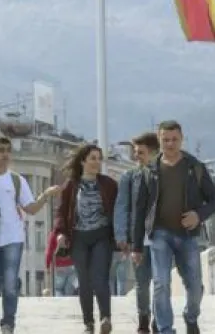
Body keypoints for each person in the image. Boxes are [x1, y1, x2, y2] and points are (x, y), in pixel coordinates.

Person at [132, 121, 215, 334]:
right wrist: (136, 246)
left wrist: (198, 215)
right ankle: (165, 329)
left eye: (174, 139)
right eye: (165, 140)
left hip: (187, 235)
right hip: (159, 234)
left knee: (194, 285)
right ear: (159, 140)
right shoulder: (149, 170)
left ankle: (191, 317)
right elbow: (139, 210)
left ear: (182, 139)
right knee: (161, 283)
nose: (170, 144)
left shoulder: (195, 168)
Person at [0, 136, 62, 334]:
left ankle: (8, 324)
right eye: (1, 150)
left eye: (8, 150)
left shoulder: (16, 180)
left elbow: (30, 208)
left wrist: (45, 195)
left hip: (13, 238)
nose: (5, 154)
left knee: (11, 284)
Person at [53, 144, 119, 334]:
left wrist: (122, 236)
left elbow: (119, 211)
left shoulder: (108, 184)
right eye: (93, 158)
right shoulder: (71, 185)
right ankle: (88, 323)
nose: (97, 162)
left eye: (99, 158)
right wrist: (60, 233)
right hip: (79, 237)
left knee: (100, 278)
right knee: (84, 281)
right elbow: (61, 212)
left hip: (101, 236)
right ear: (83, 161)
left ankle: (106, 318)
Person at [114, 132, 161, 333]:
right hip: (139, 239)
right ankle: (143, 318)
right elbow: (122, 206)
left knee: (161, 283)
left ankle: (159, 320)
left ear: (154, 152)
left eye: (140, 152)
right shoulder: (129, 177)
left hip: (162, 239)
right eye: (135, 152)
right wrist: (122, 236)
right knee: (142, 283)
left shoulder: (164, 176)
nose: (136, 156)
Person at [45, 228, 77, 296]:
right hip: (72, 266)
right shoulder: (72, 232)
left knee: (58, 289)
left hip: (59, 267)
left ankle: (60, 305)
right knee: (69, 292)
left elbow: (49, 252)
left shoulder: (53, 234)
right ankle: (67, 305)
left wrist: (47, 266)